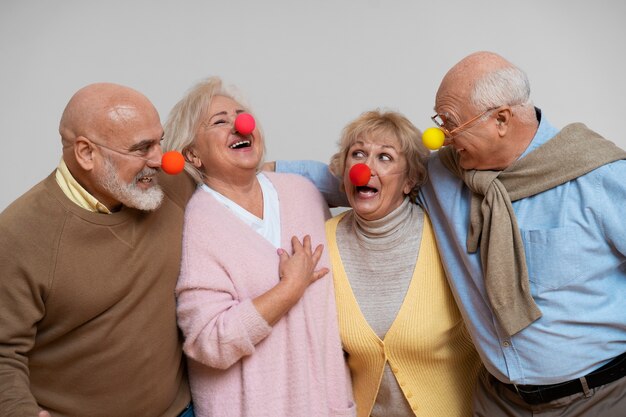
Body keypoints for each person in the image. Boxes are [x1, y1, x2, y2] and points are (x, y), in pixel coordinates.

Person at [275, 51, 626, 416]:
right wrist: (252, 172)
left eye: (451, 123)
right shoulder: (444, 176)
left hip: (598, 396)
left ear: (501, 120)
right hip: (499, 402)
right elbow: (351, 181)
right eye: (439, 122)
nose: (440, 137)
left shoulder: (598, 177)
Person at [162, 77, 355, 417]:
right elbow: (208, 342)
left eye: (242, 115)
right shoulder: (200, 222)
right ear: (193, 154)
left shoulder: (303, 194)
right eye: (220, 122)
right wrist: (289, 289)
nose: (240, 125)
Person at [0, 83, 196, 417]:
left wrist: (315, 178)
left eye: (160, 140)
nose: (161, 159)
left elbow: (240, 180)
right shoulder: (18, 233)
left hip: (181, 410)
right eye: (142, 148)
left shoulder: (170, 186)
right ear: (86, 153)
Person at [325, 109, 481, 417]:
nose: (364, 168)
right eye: (358, 154)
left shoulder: (445, 235)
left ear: (409, 180)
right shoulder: (322, 239)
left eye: (384, 157)